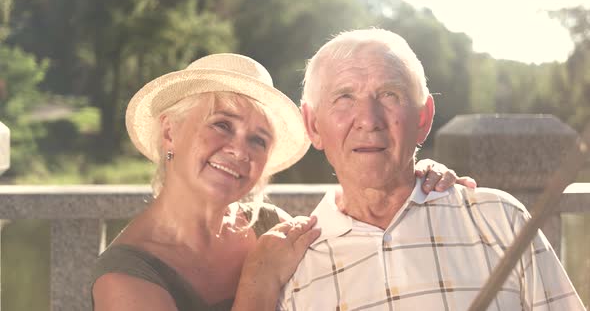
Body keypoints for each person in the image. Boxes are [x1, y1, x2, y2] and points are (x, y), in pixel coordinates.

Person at [91, 53, 471, 311]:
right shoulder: (124, 277)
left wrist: (410, 182)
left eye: (258, 139)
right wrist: (258, 282)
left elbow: (365, 249)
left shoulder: (270, 225)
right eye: (222, 125)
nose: (241, 150)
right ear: (171, 132)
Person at [277, 29, 585, 310]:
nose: (369, 120)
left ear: (423, 119)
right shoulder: (291, 267)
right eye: (344, 97)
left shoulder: (501, 220)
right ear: (313, 125)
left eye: (388, 95)